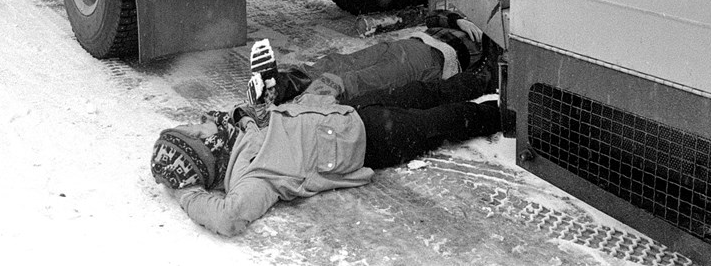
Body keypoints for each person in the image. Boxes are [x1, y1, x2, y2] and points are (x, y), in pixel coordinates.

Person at [152, 60, 500, 237]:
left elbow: (255, 108)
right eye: (195, 129)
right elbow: (228, 218)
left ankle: (485, 79)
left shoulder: (236, 127)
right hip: (368, 140)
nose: (199, 120)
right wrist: (187, 193)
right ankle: (506, 116)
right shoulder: (252, 175)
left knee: (424, 92)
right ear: (204, 150)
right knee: (446, 120)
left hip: (350, 109)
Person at [247, 13, 497, 108]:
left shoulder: (495, 48)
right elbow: (434, 16)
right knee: (341, 61)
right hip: (409, 44)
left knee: (361, 80)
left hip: (429, 62)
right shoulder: (476, 16)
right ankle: (281, 83)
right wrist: (457, 20)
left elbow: (484, 79)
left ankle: (306, 105)